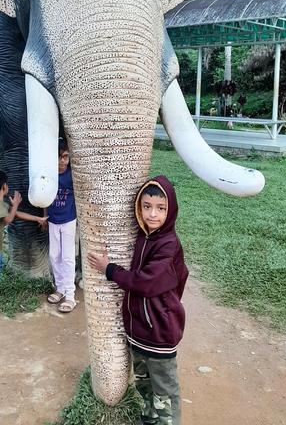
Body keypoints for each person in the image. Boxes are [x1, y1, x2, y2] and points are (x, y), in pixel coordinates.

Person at [87, 176, 189, 425]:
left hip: (159, 334)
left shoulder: (168, 244)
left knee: (164, 391)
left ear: (171, 209)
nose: (153, 214)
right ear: (138, 208)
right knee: (144, 386)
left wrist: (109, 269)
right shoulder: (144, 236)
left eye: (161, 208)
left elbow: (146, 282)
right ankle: (149, 421)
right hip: (139, 332)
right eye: (147, 206)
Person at [0, 169, 47, 322]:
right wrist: (16, 204)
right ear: (4, 187)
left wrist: (38, 218)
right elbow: (9, 219)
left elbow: (15, 214)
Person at [45, 138, 77, 313]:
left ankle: (70, 296)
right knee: (54, 255)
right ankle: (60, 289)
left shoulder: (72, 175)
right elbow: (44, 195)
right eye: (58, 157)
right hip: (52, 220)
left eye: (65, 157)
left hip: (68, 220)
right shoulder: (49, 174)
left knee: (67, 257)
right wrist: (44, 217)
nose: (62, 161)